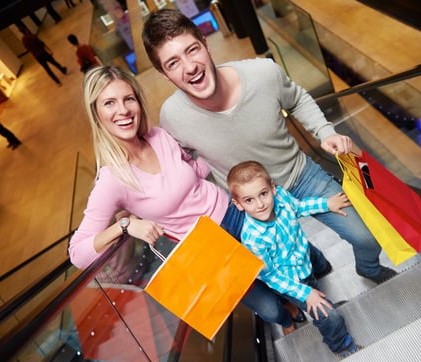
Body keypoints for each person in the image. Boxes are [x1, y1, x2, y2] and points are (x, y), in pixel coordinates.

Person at [141, 8, 397, 284]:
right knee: (286, 264)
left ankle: (368, 268)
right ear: (164, 75)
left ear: (206, 45)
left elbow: (296, 98)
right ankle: (315, 260)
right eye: (173, 63)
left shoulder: (263, 74)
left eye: (192, 50)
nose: (189, 67)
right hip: (248, 204)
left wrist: (324, 131)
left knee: (366, 237)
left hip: (300, 177)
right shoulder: (172, 117)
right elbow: (181, 165)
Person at [69, 65, 302, 336]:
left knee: (286, 270)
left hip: (234, 214)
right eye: (109, 103)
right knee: (269, 308)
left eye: (128, 99)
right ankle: (288, 319)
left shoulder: (159, 135)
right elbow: (78, 253)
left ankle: (306, 305)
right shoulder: (111, 180)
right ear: (96, 113)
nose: (123, 111)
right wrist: (125, 226)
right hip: (207, 249)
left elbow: (193, 170)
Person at [227, 160, 359, 355]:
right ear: (238, 204)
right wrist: (305, 293)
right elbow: (270, 277)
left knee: (318, 294)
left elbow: (298, 207)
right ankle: (343, 346)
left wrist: (327, 203)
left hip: (305, 264)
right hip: (289, 282)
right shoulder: (253, 239)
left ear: (272, 188)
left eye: (263, 194)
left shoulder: (281, 197)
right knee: (328, 315)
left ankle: (322, 308)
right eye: (249, 200)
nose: (260, 204)